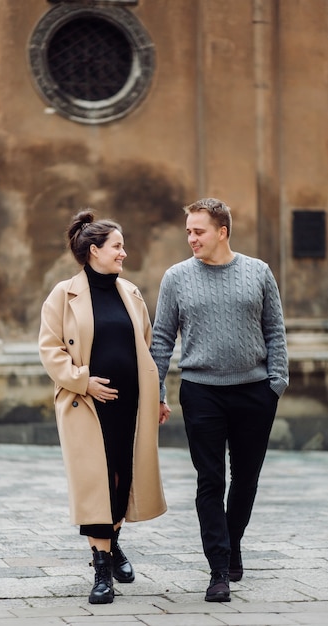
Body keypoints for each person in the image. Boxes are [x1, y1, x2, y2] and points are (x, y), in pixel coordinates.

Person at [151, 198, 289, 603]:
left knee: (245, 479)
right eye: (189, 232)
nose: (191, 238)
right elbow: (161, 340)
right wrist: (158, 390)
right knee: (210, 481)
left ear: (222, 231)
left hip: (254, 392)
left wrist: (275, 384)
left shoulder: (258, 271)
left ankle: (232, 543)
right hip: (202, 391)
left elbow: (275, 331)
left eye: (199, 231)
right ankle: (218, 570)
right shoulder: (176, 278)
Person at [39, 209, 167, 605]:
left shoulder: (131, 293)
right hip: (86, 406)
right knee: (97, 483)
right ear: (94, 251)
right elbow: (50, 349)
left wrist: (158, 395)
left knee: (121, 479)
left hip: (130, 405)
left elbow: (145, 347)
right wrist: (84, 381)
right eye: (117, 246)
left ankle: (111, 546)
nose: (123, 253)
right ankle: (101, 570)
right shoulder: (63, 294)